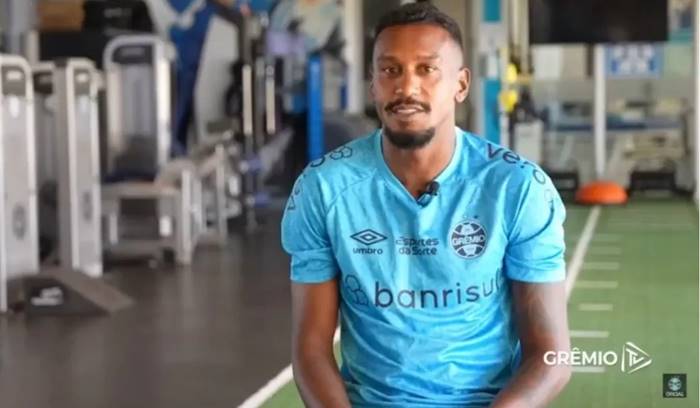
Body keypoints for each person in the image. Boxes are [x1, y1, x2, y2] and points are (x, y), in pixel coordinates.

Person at [281, 3, 571, 407]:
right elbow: (311, 349)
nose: (407, 87)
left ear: (461, 84)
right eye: (390, 70)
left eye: (427, 69)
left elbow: (552, 356)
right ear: (372, 84)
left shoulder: (518, 188)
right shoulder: (324, 188)